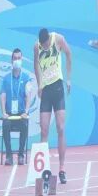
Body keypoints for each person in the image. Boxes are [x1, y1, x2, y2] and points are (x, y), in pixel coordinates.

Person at [34, 28, 73, 185]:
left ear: (48, 40)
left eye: (45, 46)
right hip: (46, 91)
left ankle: (62, 169)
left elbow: (69, 54)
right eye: (41, 46)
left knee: (60, 128)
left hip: (57, 88)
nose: (43, 48)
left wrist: (68, 79)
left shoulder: (58, 39)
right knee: (44, 130)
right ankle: (43, 169)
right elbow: (35, 64)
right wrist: (39, 84)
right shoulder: (36, 46)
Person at [0, 48, 35, 165]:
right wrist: (4, 112)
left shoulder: (26, 78)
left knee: (24, 124)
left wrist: (26, 111)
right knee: (5, 125)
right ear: (11, 60)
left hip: (21, 114)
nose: (17, 60)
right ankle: (9, 156)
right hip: (9, 114)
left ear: (22, 60)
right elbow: (3, 95)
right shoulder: (6, 78)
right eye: (15, 58)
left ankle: (20, 155)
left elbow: (28, 96)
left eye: (19, 58)